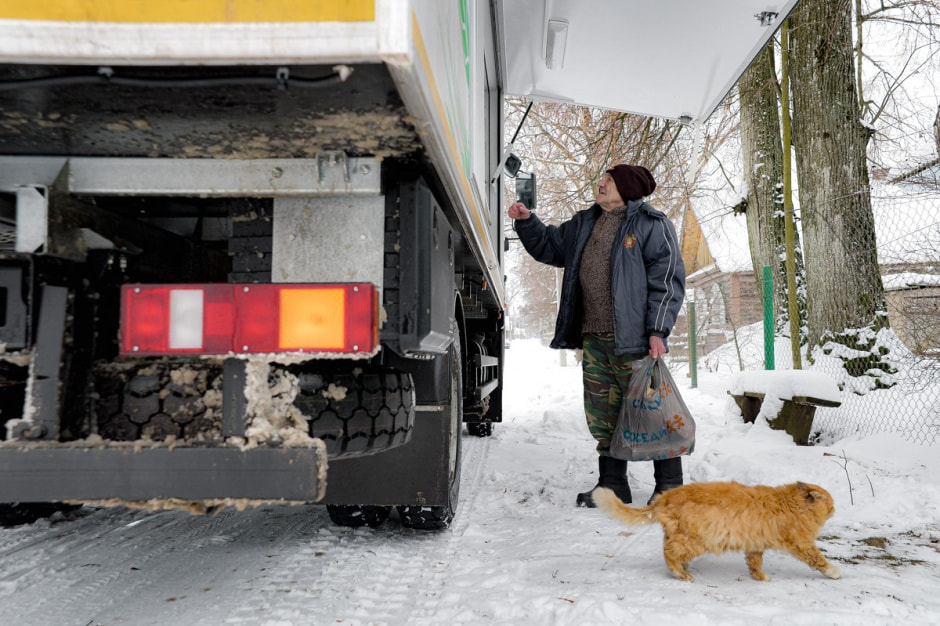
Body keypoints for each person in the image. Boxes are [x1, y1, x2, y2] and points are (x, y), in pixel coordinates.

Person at [508, 164, 686, 507]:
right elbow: (549, 246)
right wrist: (527, 221)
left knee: (651, 412)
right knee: (603, 415)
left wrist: (657, 331)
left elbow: (666, 281)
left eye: (609, 180)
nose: (600, 184)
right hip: (595, 339)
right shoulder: (585, 222)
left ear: (628, 189)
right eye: (602, 178)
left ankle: (670, 487)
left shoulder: (652, 224)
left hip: (634, 341)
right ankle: (612, 485)